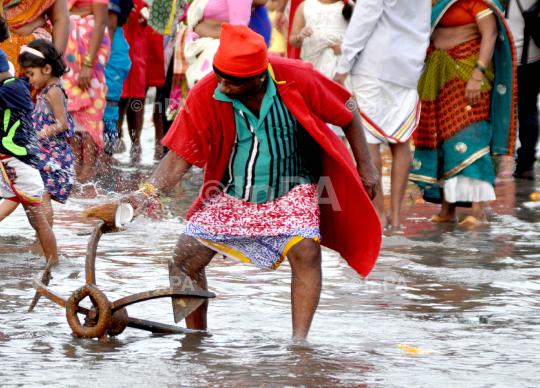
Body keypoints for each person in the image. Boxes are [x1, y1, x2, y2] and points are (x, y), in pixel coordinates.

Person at [120, 24, 381, 341]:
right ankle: (195, 339)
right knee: (183, 259)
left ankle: (299, 346)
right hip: (232, 192)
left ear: (259, 78)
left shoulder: (296, 76)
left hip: (294, 186)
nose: (223, 87)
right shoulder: (208, 91)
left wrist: (366, 165)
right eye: (220, 77)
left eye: (233, 83)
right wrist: (144, 194)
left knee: (306, 252)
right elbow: (178, 157)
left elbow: (348, 107)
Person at [408, 0, 517, 226]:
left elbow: (490, 33)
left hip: (468, 72)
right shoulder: (433, 2)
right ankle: (448, 209)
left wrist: (477, 74)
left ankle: (477, 211)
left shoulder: (477, 1)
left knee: (471, 137)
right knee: (442, 141)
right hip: (436, 74)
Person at [333, 0, 431, 228]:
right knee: (401, 140)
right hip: (409, 65)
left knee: (369, 140)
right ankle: (396, 215)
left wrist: (342, 67)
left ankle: (378, 212)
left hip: (374, 64)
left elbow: (363, 20)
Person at [0, 48, 59, 264]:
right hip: (12, 159)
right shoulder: (12, 86)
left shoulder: (10, 90)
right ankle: (53, 264)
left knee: (37, 219)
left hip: (18, 160)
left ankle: (54, 264)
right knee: (36, 218)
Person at [13, 40, 76, 229]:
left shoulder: (54, 90)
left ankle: (45, 236)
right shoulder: (45, 90)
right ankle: (42, 236)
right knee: (37, 195)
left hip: (52, 155)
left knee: (42, 195)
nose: (29, 79)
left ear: (47, 69)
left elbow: (62, 123)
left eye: (31, 74)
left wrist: (38, 135)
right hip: (44, 153)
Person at [290, 0, 355, 137]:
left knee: (341, 116)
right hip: (313, 71)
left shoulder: (349, 6)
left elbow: (359, 38)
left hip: (339, 72)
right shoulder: (305, 6)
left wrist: (344, 46)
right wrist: (300, 36)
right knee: (315, 115)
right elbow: (293, 40)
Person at [64, 0, 111, 183]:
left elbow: (100, 22)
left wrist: (88, 64)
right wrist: (81, 10)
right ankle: (76, 164)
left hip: (90, 49)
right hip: (68, 54)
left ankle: (89, 167)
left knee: (92, 106)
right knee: (71, 107)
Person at [183, 0, 253, 88]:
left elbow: (238, 31)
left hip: (220, 55)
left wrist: (203, 29)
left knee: (213, 93)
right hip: (199, 51)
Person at [506, 0, 540, 180]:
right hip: (535, 59)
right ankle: (526, 165)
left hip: (513, 58)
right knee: (529, 110)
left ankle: (489, 161)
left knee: (520, 111)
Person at [99, 0, 133, 173]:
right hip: (97, 45)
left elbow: (110, 25)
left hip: (108, 47)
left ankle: (106, 158)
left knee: (108, 109)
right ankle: (97, 158)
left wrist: (99, 58)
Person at [0, 0, 69, 82]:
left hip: (38, 60)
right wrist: (32, 25)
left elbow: (61, 19)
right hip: (4, 55)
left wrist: (55, 66)